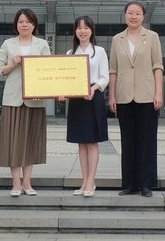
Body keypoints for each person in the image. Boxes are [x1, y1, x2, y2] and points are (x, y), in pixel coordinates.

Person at [108, 0, 164, 197]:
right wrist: (112, 95)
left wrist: (159, 92)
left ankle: (146, 183)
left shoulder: (152, 37)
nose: (134, 16)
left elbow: (158, 66)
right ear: (125, 15)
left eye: (137, 13)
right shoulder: (117, 39)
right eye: (130, 13)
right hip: (124, 96)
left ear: (143, 16)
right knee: (128, 140)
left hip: (147, 95)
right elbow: (113, 70)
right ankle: (130, 183)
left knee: (147, 140)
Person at [0, 8, 51, 197]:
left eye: (28, 21)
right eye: (21, 21)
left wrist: (42, 91)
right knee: (13, 142)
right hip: (13, 99)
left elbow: (48, 70)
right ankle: (16, 183)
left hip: (35, 100)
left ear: (34, 24)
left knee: (31, 142)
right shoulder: (8, 44)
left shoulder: (42, 44)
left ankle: (27, 182)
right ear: (16, 24)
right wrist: (12, 64)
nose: (24, 25)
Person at [63, 16, 109, 197]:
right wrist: (62, 92)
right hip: (76, 100)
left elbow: (104, 77)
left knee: (91, 142)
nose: (82, 31)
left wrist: (94, 88)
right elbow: (66, 79)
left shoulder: (100, 51)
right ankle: (84, 182)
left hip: (93, 98)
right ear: (75, 31)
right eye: (79, 28)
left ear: (92, 30)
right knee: (81, 143)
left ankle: (91, 182)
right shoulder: (69, 53)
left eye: (86, 28)